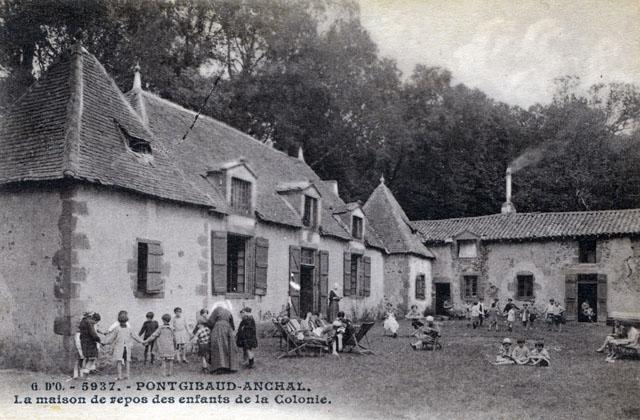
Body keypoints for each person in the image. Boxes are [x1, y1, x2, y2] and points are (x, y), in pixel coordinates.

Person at [102, 310, 144, 380]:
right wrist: (143, 342)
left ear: (119, 321)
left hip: (119, 348)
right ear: (126, 321)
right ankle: (127, 375)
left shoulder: (117, 329)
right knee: (127, 361)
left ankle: (119, 376)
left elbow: (111, 338)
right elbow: (136, 337)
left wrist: (104, 342)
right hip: (127, 348)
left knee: (119, 361)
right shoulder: (129, 329)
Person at [207, 300, 240, 373]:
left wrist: (213, 328)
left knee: (219, 347)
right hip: (228, 329)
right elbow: (232, 324)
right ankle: (231, 367)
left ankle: (220, 367)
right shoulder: (228, 311)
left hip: (218, 329)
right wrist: (231, 331)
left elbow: (210, 322)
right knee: (229, 347)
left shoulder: (216, 310)